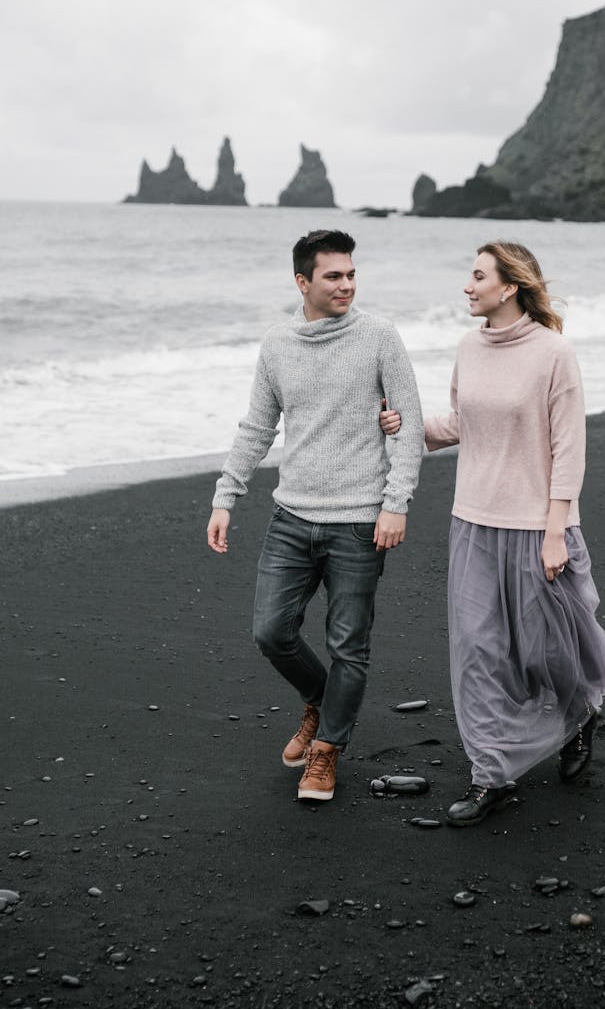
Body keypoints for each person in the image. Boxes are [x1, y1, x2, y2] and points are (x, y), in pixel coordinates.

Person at [381, 241, 605, 826]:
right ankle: (490, 775)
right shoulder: (469, 347)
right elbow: (465, 423)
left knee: (549, 650)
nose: (467, 287)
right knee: (478, 652)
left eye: (476, 277)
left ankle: (578, 717)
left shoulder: (554, 354)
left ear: (509, 286)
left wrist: (554, 532)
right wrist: (406, 426)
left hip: (538, 526)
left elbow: (569, 451)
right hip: (472, 521)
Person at [207, 229, 423, 804]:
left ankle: (326, 751)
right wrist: (225, 496)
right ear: (303, 282)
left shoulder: (380, 337)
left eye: (352, 274)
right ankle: (323, 700)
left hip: (359, 523)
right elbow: (257, 427)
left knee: (350, 645)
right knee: (271, 633)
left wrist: (395, 503)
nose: (347, 284)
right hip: (291, 518)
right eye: (334, 276)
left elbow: (410, 426)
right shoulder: (278, 344)